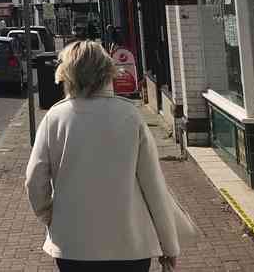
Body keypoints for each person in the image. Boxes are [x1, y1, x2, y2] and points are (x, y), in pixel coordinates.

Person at [25, 40, 180, 272]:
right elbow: (154, 187)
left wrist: (51, 216)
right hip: (130, 246)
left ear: (67, 74)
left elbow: (34, 181)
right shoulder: (130, 115)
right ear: (107, 71)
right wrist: (169, 245)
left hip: (73, 246)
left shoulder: (54, 119)